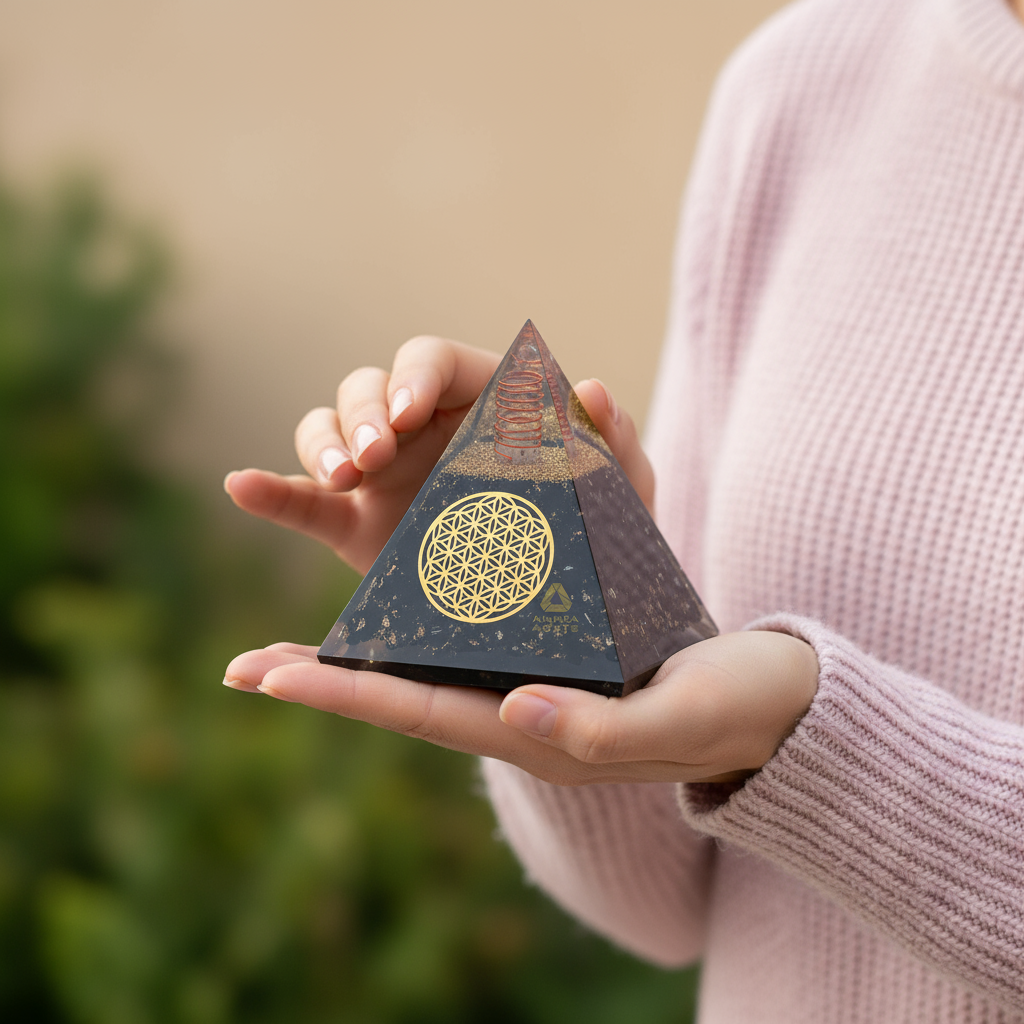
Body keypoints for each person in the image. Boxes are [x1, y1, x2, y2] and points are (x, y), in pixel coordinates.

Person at [223, 0, 1024, 1019]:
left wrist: (813, 738)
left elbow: (775, 740)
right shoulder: (804, 82)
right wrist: (532, 616)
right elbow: (667, 904)